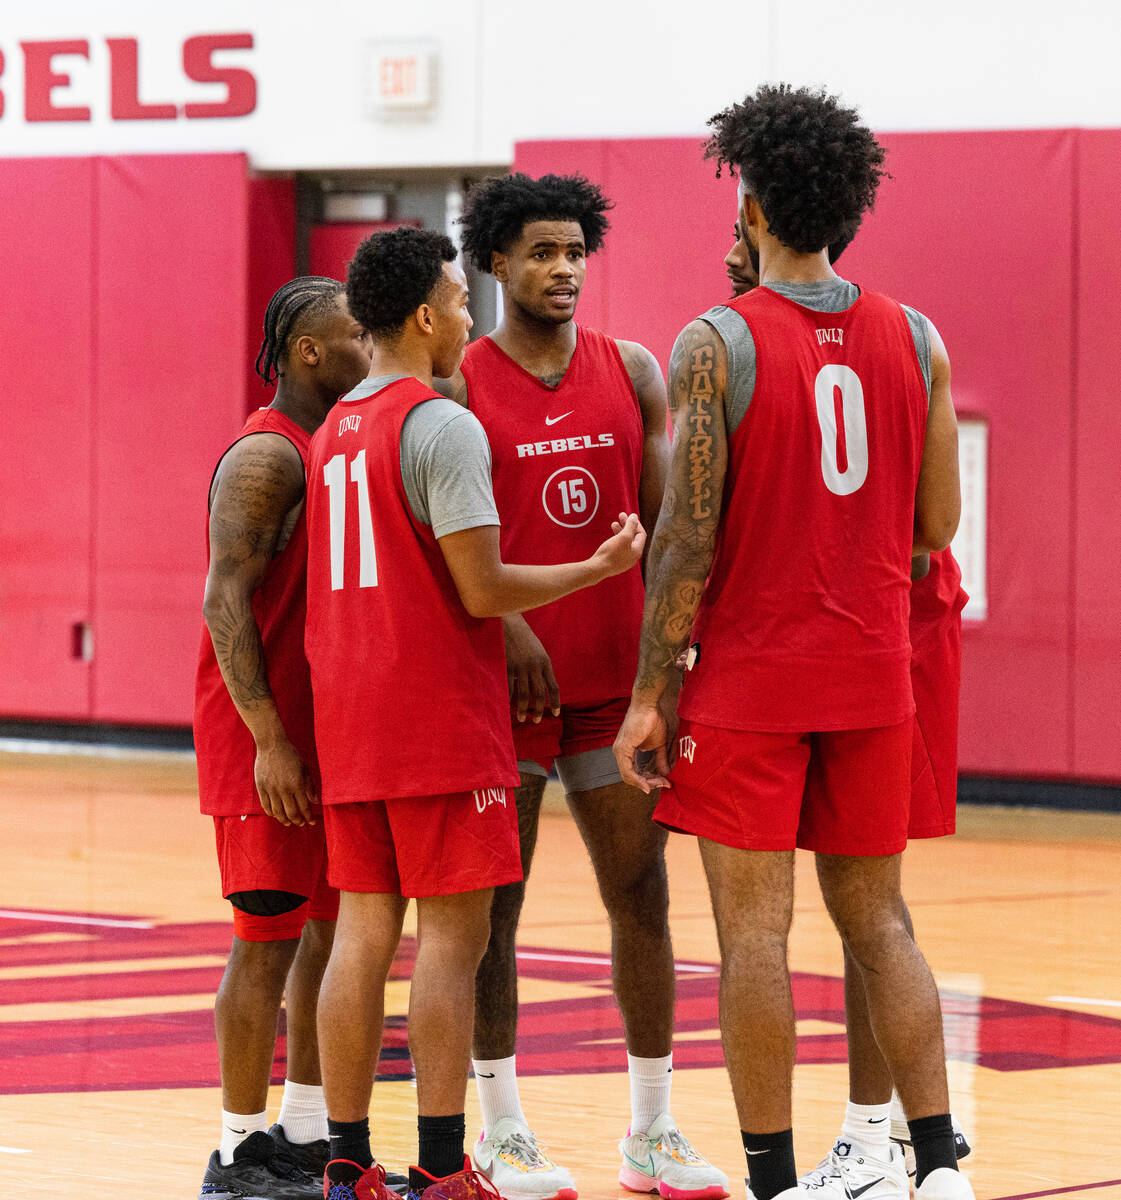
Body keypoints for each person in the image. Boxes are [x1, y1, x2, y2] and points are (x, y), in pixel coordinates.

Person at [613, 84, 973, 1200]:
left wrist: (646, 696)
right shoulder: (916, 338)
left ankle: (771, 1180)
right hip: (873, 677)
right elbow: (934, 528)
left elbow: (682, 541)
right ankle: (940, 1165)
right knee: (881, 925)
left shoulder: (713, 342)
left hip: (750, 688)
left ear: (755, 204)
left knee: (753, 938)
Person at [302, 226, 646, 1200]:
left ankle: (343, 1161)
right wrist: (597, 566)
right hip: (438, 723)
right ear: (421, 314)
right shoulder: (440, 424)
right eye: (457, 302)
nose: (466, 318)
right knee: (454, 943)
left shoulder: (333, 432)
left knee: (363, 935)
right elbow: (484, 588)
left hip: (353, 722)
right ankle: (444, 1167)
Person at [442, 172, 727, 1200]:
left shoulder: (632, 370)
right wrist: (510, 624)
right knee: (491, 915)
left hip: (613, 690)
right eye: (541, 253)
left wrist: (668, 670)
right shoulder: (458, 384)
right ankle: (500, 1130)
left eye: (574, 252)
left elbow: (667, 536)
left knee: (640, 896)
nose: (562, 270)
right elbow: (442, 547)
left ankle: (650, 1129)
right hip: (499, 690)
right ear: (498, 262)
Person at [721, 225, 974, 1191]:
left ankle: (877, 1137)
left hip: (869, 635)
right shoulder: (896, 334)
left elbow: (923, 535)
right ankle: (900, 1142)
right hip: (865, 648)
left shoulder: (852, 339)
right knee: (871, 912)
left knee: (853, 911)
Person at [195, 277, 375, 1200]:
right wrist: (267, 737)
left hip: (327, 731)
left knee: (328, 936)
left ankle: (302, 1133)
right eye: (354, 332)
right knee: (264, 939)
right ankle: (232, 1152)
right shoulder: (266, 455)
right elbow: (224, 596)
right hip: (262, 736)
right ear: (309, 351)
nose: (369, 342)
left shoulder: (336, 443)